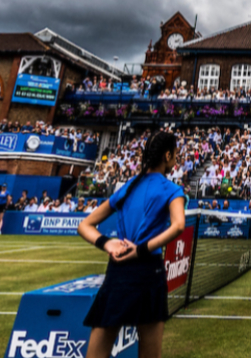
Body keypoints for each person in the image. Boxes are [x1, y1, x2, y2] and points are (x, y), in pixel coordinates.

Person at [77, 131, 186, 358]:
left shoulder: (127, 187)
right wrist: (141, 250)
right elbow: (178, 226)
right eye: (175, 154)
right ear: (167, 155)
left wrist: (108, 244)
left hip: (118, 270)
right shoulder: (171, 190)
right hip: (148, 271)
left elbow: (84, 225)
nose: (176, 159)